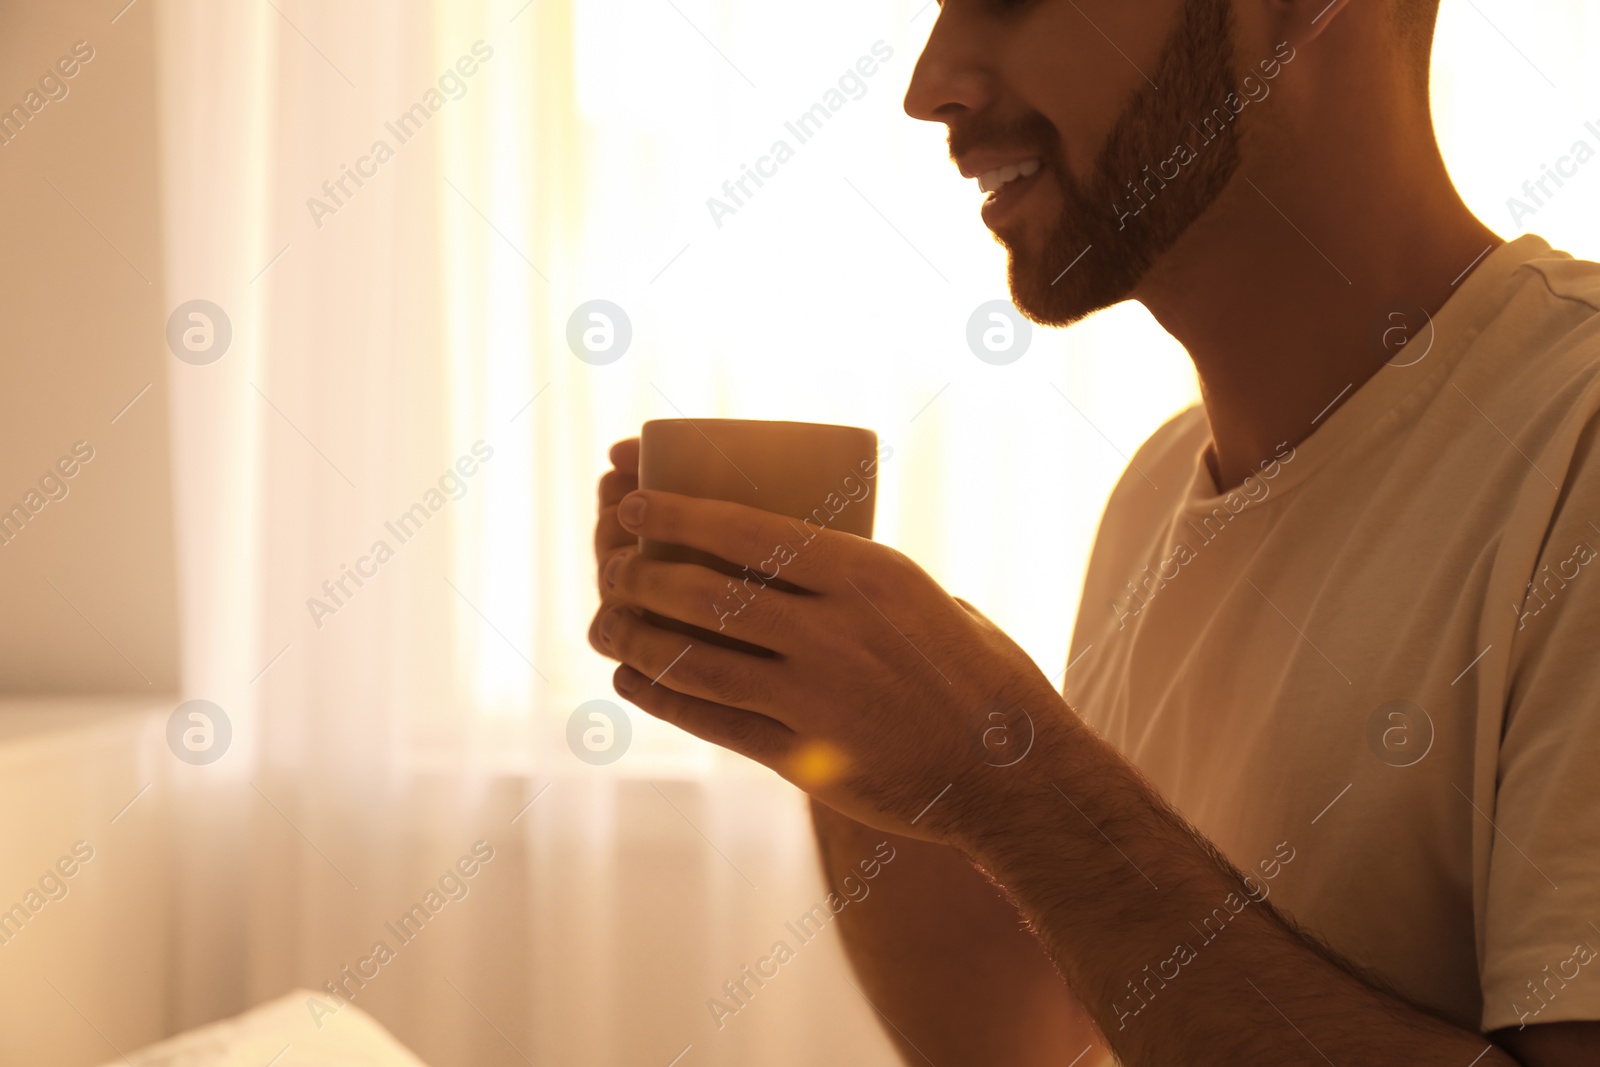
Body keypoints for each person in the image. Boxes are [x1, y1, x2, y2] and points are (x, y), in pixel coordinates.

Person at [589, 0, 1600, 1063]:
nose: (929, 83)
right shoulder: (1159, 488)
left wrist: (1013, 770)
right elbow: (1054, 1047)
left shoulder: (1573, 444)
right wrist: (849, 727)